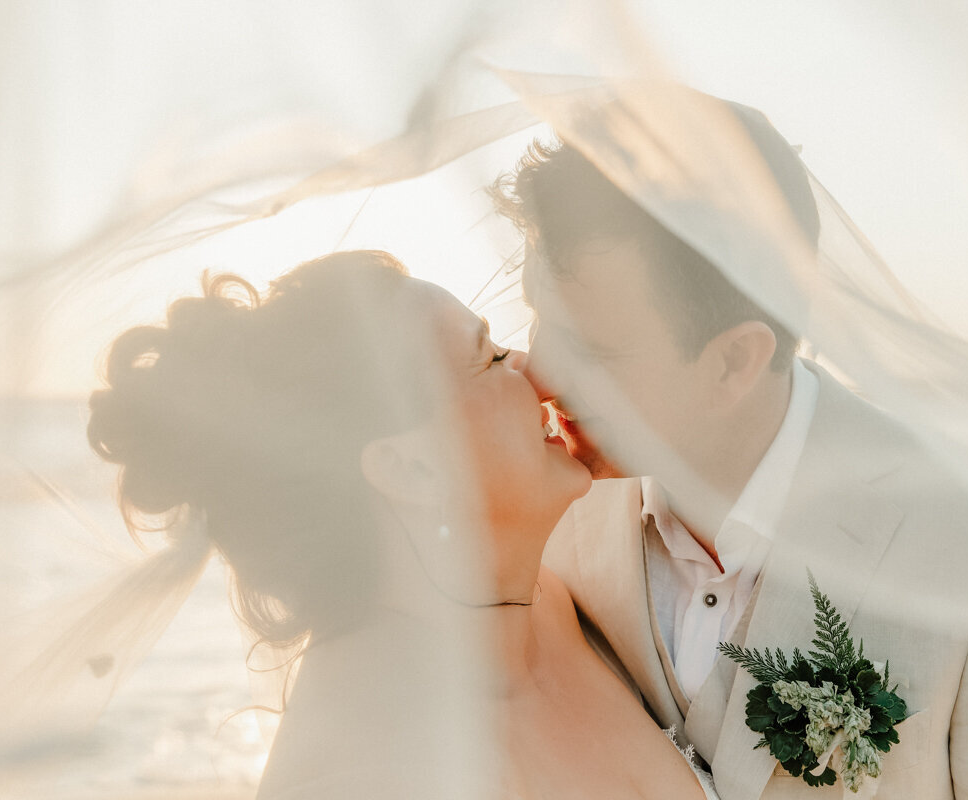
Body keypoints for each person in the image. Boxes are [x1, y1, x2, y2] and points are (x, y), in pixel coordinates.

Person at [493, 103, 968, 797]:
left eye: (594, 350)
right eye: (535, 314)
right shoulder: (537, 517)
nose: (539, 373)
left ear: (734, 362)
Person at [85, 250, 721, 799]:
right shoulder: (366, 776)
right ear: (409, 467)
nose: (532, 367)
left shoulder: (552, 604)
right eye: (491, 358)